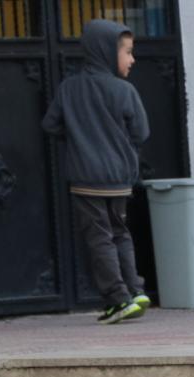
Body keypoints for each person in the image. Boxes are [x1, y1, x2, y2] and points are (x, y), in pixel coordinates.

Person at [42, 19, 151, 324]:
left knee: (99, 238)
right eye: (127, 52)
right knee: (120, 233)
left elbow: (50, 124)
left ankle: (118, 299)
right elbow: (141, 132)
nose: (132, 59)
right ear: (106, 51)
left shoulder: (69, 88)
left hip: (86, 179)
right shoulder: (125, 90)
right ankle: (135, 290)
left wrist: (78, 134)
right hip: (119, 179)